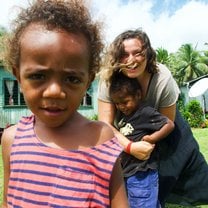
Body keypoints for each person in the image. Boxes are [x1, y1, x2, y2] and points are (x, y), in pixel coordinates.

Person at [1, 1, 129, 207]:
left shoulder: (101, 138)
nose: (55, 92)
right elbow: (7, 202)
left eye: (72, 79)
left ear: (88, 81)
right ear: (18, 76)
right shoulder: (12, 139)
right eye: (38, 75)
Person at [98, 28, 208, 206]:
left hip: (161, 125)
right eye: (124, 54)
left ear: (148, 54)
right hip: (126, 128)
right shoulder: (109, 79)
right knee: (126, 172)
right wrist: (130, 146)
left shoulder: (162, 77)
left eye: (137, 53)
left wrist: (150, 140)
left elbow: (168, 123)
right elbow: (104, 124)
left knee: (175, 166)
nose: (131, 60)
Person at [109, 71, 174, 207]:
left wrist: (151, 138)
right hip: (129, 172)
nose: (121, 107)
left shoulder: (145, 112)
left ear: (138, 95)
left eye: (125, 102)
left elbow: (169, 124)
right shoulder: (124, 117)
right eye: (117, 104)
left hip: (142, 173)